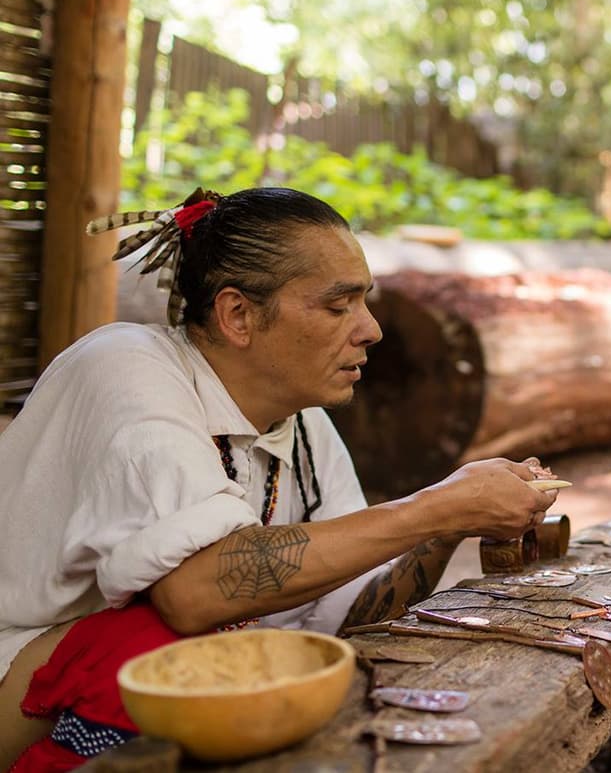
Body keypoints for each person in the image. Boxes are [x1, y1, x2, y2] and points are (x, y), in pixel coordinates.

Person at [0, 187, 559, 771]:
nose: (371, 330)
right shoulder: (123, 365)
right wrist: (435, 507)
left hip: (101, 683)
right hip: (18, 678)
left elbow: (349, 622)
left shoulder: (304, 428)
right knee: (165, 651)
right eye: (338, 306)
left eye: (364, 303)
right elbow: (193, 595)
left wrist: (449, 527)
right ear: (238, 314)